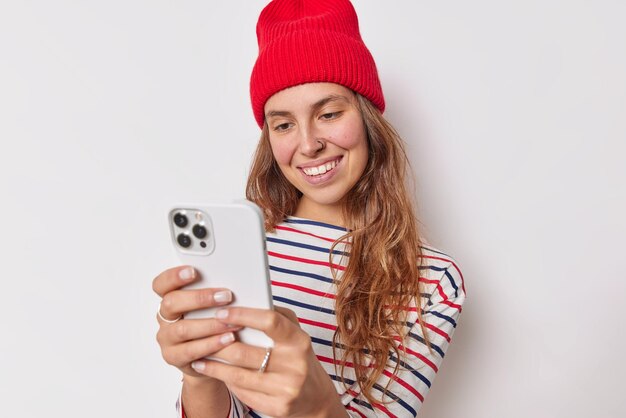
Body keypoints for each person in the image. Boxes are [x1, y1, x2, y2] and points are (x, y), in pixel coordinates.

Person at [152, 0, 466, 417]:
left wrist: (317, 405)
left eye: (330, 113)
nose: (308, 144)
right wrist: (199, 373)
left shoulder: (432, 280)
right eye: (283, 124)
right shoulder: (246, 250)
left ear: (369, 117)